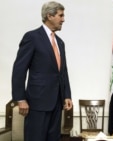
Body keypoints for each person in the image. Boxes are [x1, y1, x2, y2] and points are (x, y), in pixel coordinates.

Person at [11, 1, 73, 141]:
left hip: (57, 102)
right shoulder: (32, 37)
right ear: (49, 16)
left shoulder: (60, 42)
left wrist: (67, 95)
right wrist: (20, 98)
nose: (63, 19)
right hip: (37, 102)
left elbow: (62, 72)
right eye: (60, 15)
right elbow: (19, 70)